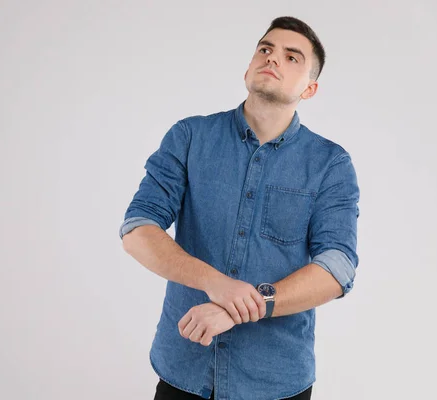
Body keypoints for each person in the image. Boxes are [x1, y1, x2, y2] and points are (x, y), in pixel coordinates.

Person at [119, 16, 360, 400]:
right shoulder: (189, 136)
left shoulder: (330, 164)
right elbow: (137, 229)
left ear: (310, 88)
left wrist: (242, 306)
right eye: (265, 49)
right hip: (185, 368)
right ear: (248, 67)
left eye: (292, 57)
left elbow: (337, 267)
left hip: (276, 380)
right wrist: (216, 284)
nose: (273, 58)